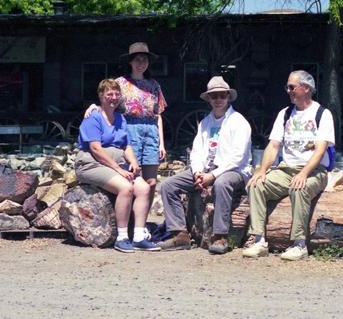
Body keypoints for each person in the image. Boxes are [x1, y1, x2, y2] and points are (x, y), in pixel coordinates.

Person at [243, 70, 335, 261]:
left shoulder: (322, 114)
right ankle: (259, 240)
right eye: (287, 87)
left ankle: (299, 244)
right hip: (286, 169)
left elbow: (320, 150)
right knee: (256, 184)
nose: (288, 91)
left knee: (299, 188)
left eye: (292, 87)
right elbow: (273, 145)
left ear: (306, 88)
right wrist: (261, 170)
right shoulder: (284, 114)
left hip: (314, 170)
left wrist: (304, 173)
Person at [158, 76, 252, 254]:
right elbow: (197, 151)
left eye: (222, 96)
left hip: (234, 171)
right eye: (214, 96)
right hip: (206, 170)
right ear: (208, 98)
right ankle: (180, 234)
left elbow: (237, 158)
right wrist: (198, 172)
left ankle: (220, 236)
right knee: (168, 185)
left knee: (221, 183)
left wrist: (212, 176)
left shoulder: (239, 122)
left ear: (228, 97)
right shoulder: (206, 122)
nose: (218, 100)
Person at [76, 79, 161, 252]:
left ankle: (138, 236)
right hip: (91, 164)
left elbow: (126, 145)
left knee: (144, 188)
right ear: (101, 96)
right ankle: (122, 237)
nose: (113, 98)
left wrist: (134, 162)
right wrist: (118, 169)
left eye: (116, 94)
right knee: (126, 188)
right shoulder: (93, 117)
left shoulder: (121, 118)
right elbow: (95, 149)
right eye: (109, 94)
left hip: (115, 163)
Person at [85, 42, 167, 219]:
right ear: (130, 62)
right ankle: (127, 222)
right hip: (130, 130)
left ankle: (142, 223)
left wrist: (162, 143)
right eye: (137, 59)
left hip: (151, 132)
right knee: (132, 176)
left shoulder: (154, 85)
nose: (141, 63)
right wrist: (94, 106)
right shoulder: (121, 83)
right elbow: (109, 102)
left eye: (144, 60)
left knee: (151, 181)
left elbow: (158, 114)